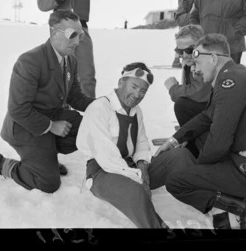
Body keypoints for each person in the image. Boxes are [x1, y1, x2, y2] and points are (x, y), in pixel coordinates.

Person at [0, 10, 95, 193]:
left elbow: (74, 97)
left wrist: (104, 105)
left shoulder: (71, 61)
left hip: (50, 116)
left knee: (88, 129)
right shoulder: (30, 61)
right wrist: (51, 126)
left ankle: (46, 157)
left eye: (80, 34)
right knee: (48, 183)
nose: (77, 41)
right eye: (72, 35)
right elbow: (18, 109)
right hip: (24, 126)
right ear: (53, 33)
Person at [76, 62, 195, 228]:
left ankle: (205, 202)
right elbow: (106, 158)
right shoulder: (99, 108)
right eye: (134, 86)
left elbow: (141, 142)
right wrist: (139, 180)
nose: (138, 94)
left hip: (130, 167)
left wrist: (142, 167)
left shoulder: (136, 110)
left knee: (180, 156)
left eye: (143, 91)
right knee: (136, 191)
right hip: (102, 172)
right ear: (120, 82)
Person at [156, 33, 246, 229]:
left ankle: (244, 207)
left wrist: (199, 173)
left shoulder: (231, 81)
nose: (194, 67)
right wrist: (174, 140)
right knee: (200, 141)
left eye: (197, 60)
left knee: (177, 182)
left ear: (212, 58)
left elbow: (219, 139)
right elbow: (205, 118)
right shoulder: (234, 74)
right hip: (245, 160)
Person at [37, 0, 130, 98]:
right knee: (61, 74)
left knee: (87, 75)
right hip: (61, 30)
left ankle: (88, 111)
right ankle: (62, 111)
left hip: (81, 29)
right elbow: (42, 4)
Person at [164, 24, 212, 157]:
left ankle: (195, 148)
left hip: (218, 114)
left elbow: (199, 92)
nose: (185, 55)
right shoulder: (191, 63)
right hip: (207, 112)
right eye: (180, 51)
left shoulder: (206, 61)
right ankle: (191, 141)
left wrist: (173, 88)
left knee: (182, 105)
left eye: (190, 50)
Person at [172, 0, 194, 68]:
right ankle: (176, 60)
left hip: (188, 21)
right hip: (184, 22)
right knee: (181, 41)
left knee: (185, 41)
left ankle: (178, 60)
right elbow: (182, 10)